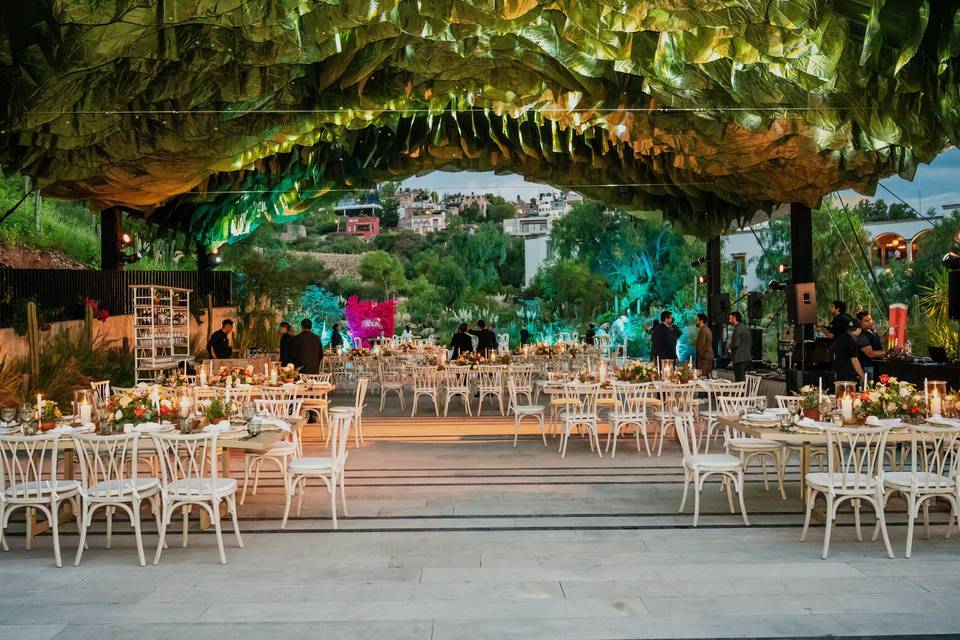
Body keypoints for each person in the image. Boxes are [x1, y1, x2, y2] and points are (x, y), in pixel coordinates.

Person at [832, 317, 866, 386]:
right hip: (848, 376)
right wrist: (863, 377)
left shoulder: (839, 338)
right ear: (859, 329)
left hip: (837, 373)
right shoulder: (851, 341)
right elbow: (855, 360)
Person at [855, 311, 885, 384]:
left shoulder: (871, 330)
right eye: (866, 321)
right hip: (867, 368)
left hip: (875, 366)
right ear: (860, 322)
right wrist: (886, 352)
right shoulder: (861, 335)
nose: (870, 322)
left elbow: (877, 342)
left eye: (870, 319)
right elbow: (870, 353)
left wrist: (887, 336)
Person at [728, 311, 752, 382]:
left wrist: (729, 347)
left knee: (739, 380)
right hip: (746, 357)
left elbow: (736, 343)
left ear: (734, 318)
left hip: (739, 358)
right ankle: (741, 392)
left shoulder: (737, 328)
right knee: (741, 379)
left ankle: (740, 393)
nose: (729, 321)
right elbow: (751, 342)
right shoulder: (745, 327)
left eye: (730, 318)